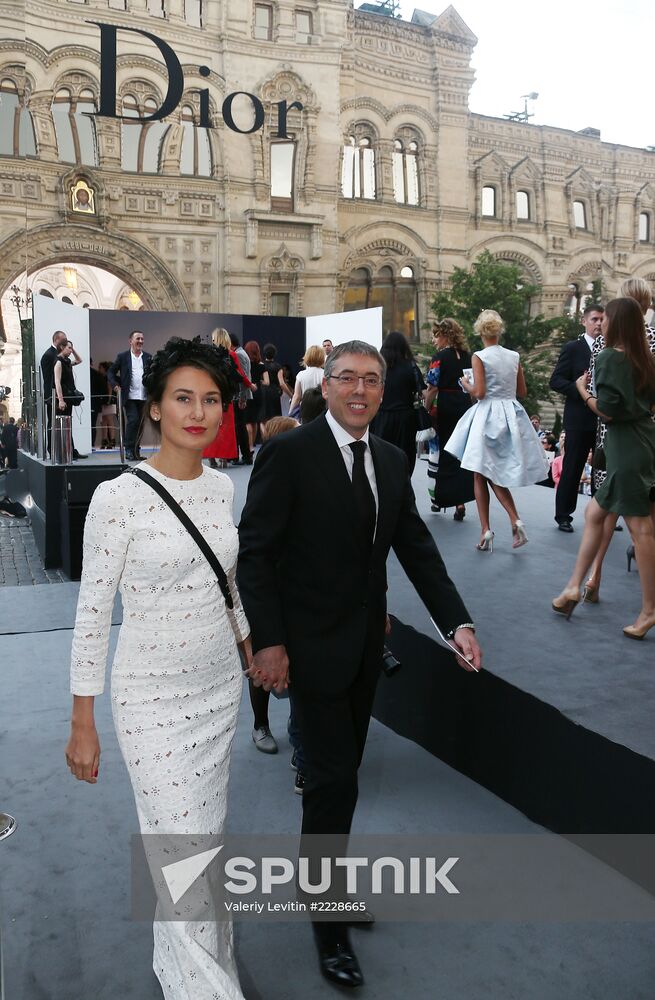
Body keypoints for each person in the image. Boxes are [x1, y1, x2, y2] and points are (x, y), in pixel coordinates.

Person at [237, 340, 481, 989]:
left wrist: (455, 622)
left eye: (372, 380)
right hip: (307, 647)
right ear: (326, 386)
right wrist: (269, 642)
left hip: (364, 647)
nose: (360, 390)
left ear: (382, 389)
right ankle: (327, 914)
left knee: (339, 775)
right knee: (332, 779)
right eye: (347, 378)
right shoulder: (289, 453)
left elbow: (416, 548)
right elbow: (255, 553)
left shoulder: (392, 459)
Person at [65, 336, 250, 1000]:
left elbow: (224, 583)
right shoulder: (117, 498)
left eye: (211, 400)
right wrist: (82, 722)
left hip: (217, 689)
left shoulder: (221, 488)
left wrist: (249, 642)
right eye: (183, 398)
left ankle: (187, 963)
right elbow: (92, 613)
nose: (198, 413)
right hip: (150, 698)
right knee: (182, 843)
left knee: (199, 841)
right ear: (155, 407)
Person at [553, 297, 655, 637]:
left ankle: (650, 610)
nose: (602, 323)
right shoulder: (645, 358)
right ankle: (573, 586)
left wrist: (583, 391)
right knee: (595, 514)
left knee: (641, 528)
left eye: (606, 317)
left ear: (616, 323)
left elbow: (608, 411)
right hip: (642, 442)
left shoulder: (610, 357)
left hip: (625, 449)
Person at [446, 310, 549, 551]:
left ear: (480, 332)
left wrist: (466, 384)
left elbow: (480, 393)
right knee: (491, 473)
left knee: (479, 473)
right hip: (511, 413)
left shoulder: (479, 356)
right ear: (499, 331)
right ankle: (515, 520)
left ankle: (486, 530)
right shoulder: (514, 356)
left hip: (487, 415)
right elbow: (522, 391)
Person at [584, 277, 655, 600]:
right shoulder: (651, 339)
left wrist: (585, 395)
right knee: (643, 511)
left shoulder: (605, 344)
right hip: (647, 431)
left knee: (608, 509)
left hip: (614, 432)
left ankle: (593, 577)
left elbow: (600, 393)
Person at [549, 304, 604, 532]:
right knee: (572, 468)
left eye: (602, 319)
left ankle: (602, 515)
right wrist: (580, 388)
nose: (599, 323)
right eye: (594, 319)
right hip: (579, 419)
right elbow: (556, 380)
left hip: (603, 420)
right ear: (584, 321)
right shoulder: (573, 348)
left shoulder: (609, 349)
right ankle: (563, 515)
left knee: (602, 470)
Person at [425, 318, 474, 519]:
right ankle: (460, 502)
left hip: (444, 405)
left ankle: (441, 498)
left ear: (445, 335)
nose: (434, 340)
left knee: (443, 452)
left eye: (436, 336)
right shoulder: (468, 357)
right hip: (464, 405)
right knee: (460, 453)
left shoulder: (439, 357)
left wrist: (426, 409)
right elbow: (471, 386)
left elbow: (432, 387)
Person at [370, 330, 425, 476]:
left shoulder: (378, 368)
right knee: (405, 455)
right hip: (405, 418)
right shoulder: (411, 366)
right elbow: (422, 392)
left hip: (381, 416)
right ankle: (403, 484)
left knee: (380, 455)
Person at [203, 329, 253, 468]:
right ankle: (223, 458)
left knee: (211, 425)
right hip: (226, 396)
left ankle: (212, 457)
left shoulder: (209, 355)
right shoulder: (231, 355)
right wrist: (250, 385)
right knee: (226, 428)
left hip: (211, 395)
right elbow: (239, 374)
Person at [108, 330, 153, 461]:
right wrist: (115, 385)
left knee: (140, 424)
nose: (140, 341)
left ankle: (136, 451)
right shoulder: (123, 356)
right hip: (129, 396)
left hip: (144, 397)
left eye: (142, 339)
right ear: (130, 341)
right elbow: (111, 372)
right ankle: (128, 449)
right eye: (138, 338)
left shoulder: (148, 357)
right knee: (133, 420)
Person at [54, 339, 86, 461]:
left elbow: (79, 360)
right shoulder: (58, 362)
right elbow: (57, 382)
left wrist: (72, 349)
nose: (71, 350)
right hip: (63, 399)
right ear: (62, 347)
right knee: (63, 426)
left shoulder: (66, 361)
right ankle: (64, 453)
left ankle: (70, 451)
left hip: (69, 397)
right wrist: (61, 400)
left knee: (68, 425)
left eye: (71, 348)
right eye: (69, 348)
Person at [40, 329, 68, 454]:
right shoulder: (49, 355)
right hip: (53, 395)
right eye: (63, 340)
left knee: (65, 422)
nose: (65, 343)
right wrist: (55, 396)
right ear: (56, 340)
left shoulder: (58, 354)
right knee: (53, 422)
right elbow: (50, 378)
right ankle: (52, 450)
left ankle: (68, 449)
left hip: (61, 394)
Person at [229, 332, 254, 465]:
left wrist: (242, 398)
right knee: (240, 427)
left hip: (240, 395)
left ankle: (245, 456)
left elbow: (242, 377)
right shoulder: (241, 352)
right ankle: (244, 455)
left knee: (239, 427)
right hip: (241, 395)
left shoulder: (238, 354)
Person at [288, 344, 325, 418]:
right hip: (322, 410)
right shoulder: (325, 374)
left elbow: (297, 396)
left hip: (305, 410)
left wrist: (290, 413)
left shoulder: (301, 375)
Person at [243, 340, 266, 451]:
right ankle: (253, 445)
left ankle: (250, 445)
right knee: (255, 420)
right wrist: (259, 382)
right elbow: (267, 381)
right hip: (258, 393)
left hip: (248, 392)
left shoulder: (245, 364)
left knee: (247, 421)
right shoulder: (261, 365)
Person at [260, 343, 292, 421]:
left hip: (263, 392)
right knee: (275, 418)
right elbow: (282, 383)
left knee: (263, 418)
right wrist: (291, 395)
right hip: (274, 393)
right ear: (275, 354)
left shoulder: (261, 365)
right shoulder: (278, 367)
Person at [97, 362, 116, 449]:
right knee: (103, 421)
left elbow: (110, 389)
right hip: (103, 401)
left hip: (109, 401)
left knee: (109, 420)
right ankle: (105, 439)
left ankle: (112, 439)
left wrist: (109, 399)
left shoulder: (108, 377)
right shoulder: (101, 377)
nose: (99, 369)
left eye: (100, 368)